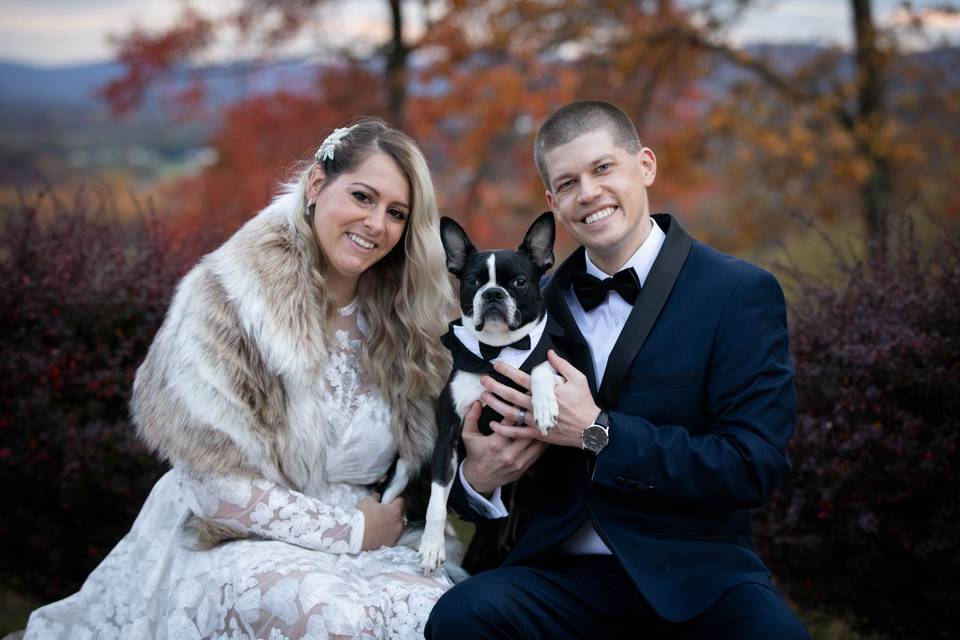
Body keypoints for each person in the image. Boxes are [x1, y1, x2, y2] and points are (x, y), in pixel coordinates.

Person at [24, 119, 458, 640]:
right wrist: (352, 532)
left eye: (396, 213)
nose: (375, 224)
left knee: (440, 615)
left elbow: (432, 456)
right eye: (362, 197)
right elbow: (211, 483)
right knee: (330, 621)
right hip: (231, 533)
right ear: (317, 186)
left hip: (376, 532)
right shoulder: (229, 299)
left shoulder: (409, 320)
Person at [426, 101, 810, 638]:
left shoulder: (737, 294)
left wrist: (598, 433)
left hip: (698, 574)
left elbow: (753, 465)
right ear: (552, 203)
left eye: (603, 168)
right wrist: (479, 480)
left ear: (645, 166)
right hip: (558, 575)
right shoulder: (530, 305)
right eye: (567, 183)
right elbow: (474, 450)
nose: (588, 193)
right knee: (459, 618)